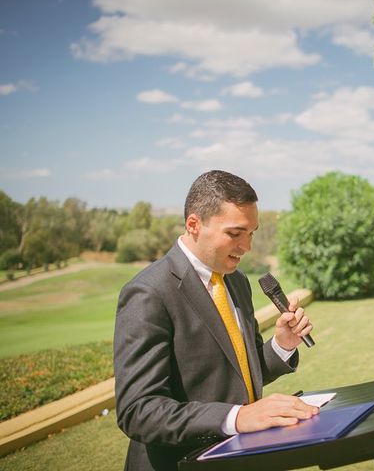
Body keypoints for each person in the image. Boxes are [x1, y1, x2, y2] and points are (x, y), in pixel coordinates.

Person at [113, 170, 318, 471]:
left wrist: (282, 345)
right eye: (235, 234)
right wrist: (237, 418)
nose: (246, 246)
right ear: (194, 224)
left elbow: (235, 375)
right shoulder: (148, 293)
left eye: (251, 233)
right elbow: (139, 411)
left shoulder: (237, 282)